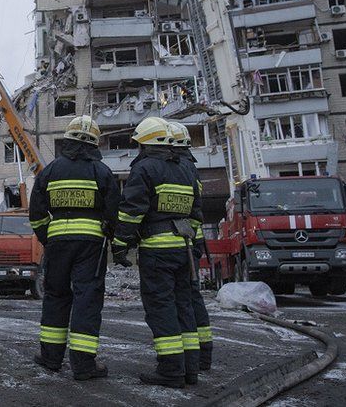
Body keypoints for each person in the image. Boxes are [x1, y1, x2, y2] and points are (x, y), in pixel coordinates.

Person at [111, 117, 201, 388]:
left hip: (157, 251)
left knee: (161, 308)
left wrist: (120, 245)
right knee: (183, 306)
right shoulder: (186, 169)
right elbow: (196, 213)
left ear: (147, 143)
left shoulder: (145, 168)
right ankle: (190, 370)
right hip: (184, 250)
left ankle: (171, 370)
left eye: (139, 144)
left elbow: (132, 211)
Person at [28, 115, 119, 380]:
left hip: (57, 245)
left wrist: (49, 236)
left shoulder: (50, 171)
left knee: (56, 297)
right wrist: (109, 235)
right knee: (86, 299)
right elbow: (114, 212)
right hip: (91, 245)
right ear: (94, 143)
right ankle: (83, 365)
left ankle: (50, 358)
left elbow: (36, 213)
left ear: (67, 141)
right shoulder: (101, 172)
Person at [164, 120, 213, 371]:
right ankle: (202, 355)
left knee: (184, 299)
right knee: (192, 297)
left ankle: (191, 358)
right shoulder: (190, 166)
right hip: (193, 238)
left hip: (182, 240)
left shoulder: (177, 167)